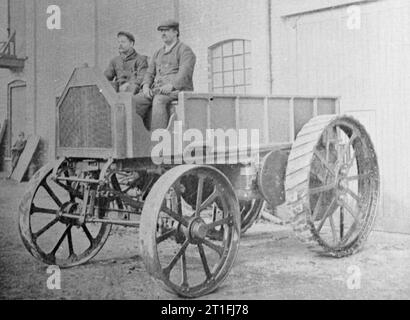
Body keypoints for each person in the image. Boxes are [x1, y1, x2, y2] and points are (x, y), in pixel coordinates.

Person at [132, 19, 196, 130]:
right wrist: (146, 86)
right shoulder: (158, 53)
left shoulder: (185, 50)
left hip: (178, 91)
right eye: (161, 31)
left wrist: (172, 86)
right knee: (134, 101)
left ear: (176, 32)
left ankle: (158, 138)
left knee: (159, 100)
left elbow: (185, 72)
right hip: (157, 89)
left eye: (166, 30)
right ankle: (137, 134)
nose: (163, 33)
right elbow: (149, 72)